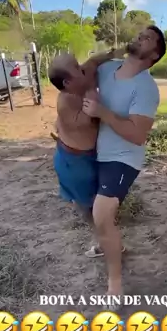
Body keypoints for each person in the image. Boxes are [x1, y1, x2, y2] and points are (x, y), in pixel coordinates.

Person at [82, 25, 166, 296]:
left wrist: (102, 113)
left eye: (148, 38)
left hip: (123, 158)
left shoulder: (146, 88)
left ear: (154, 55)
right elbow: (85, 70)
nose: (140, 37)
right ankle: (108, 244)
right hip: (96, 149)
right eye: (140, 34)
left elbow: (137, 135)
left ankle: (115, 284)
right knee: (83, 203)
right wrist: (106, 55)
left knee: (101, 213)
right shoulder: (108, 68)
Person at [49, 48, 126, 214]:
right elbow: (89, 122)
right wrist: (93, 99)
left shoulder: (82, 76)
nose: (83, 67)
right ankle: (86, 211)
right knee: (86, 201)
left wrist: (114, 53)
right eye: (77, 67)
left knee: (99, 190)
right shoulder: (66, 104)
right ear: (67, 83)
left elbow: (94, 61)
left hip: (92, 153)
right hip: (76, 160)